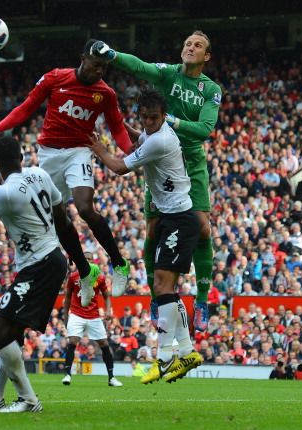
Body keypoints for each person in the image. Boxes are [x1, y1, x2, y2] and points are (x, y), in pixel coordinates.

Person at [0, 39, 134, 303]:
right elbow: (27, 106)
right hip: (48, 153)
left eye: (104, 68)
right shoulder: (55, 78)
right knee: (56, 218)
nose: (99, 72)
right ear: (83, 58)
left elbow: (117, 128)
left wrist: (132, 154)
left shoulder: (105, 94)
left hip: (79, 151)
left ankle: (119, 263)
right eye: (96, 65)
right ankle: (86, 271)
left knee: (84, 208)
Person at [91, 31, 222, 331]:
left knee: (203, 229)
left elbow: (204, 129)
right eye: (187, 43)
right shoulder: (168, 74)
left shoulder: (211, 89)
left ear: (207, 56)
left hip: (190, 160)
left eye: (198, 45)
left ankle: (202, 299)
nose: (190, 47)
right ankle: (155, 296)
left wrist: (171, 122)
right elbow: (139, 66)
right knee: (152, 233)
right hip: (162, 163)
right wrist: (112, 55)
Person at [87, 88, 203, 384]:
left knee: (161, 284)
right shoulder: (154, 134)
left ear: (164, 117)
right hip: (171, 217)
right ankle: (186, 351)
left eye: (154, 118)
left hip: (179, 218)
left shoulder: (161, 140)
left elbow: (118, 167)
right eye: (145, 117)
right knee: (166, 287)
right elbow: (137, 135)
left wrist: (98, 147)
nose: (149, 122)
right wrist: (116, 120)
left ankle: (165, 358)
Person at [0, 136, 68, 413]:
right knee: (12, 331)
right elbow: (59, 209)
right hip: (52, 257)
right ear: (21, 157)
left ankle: (29, 399)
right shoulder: (39, 173)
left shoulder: (4, 193)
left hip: (39, 263)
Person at [61, 251, 122, 387]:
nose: (87, 261)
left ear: (93, 262)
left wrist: (107, 311)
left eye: (90, 259)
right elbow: (68, 297)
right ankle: (67, 374)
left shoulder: (99, 278)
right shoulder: (73, 277)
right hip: (77, 314)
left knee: (104, 345)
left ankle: (111, 378)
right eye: (85, 259)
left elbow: (106, 295)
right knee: (72, 342)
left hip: (94, 315)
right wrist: (66, 316)